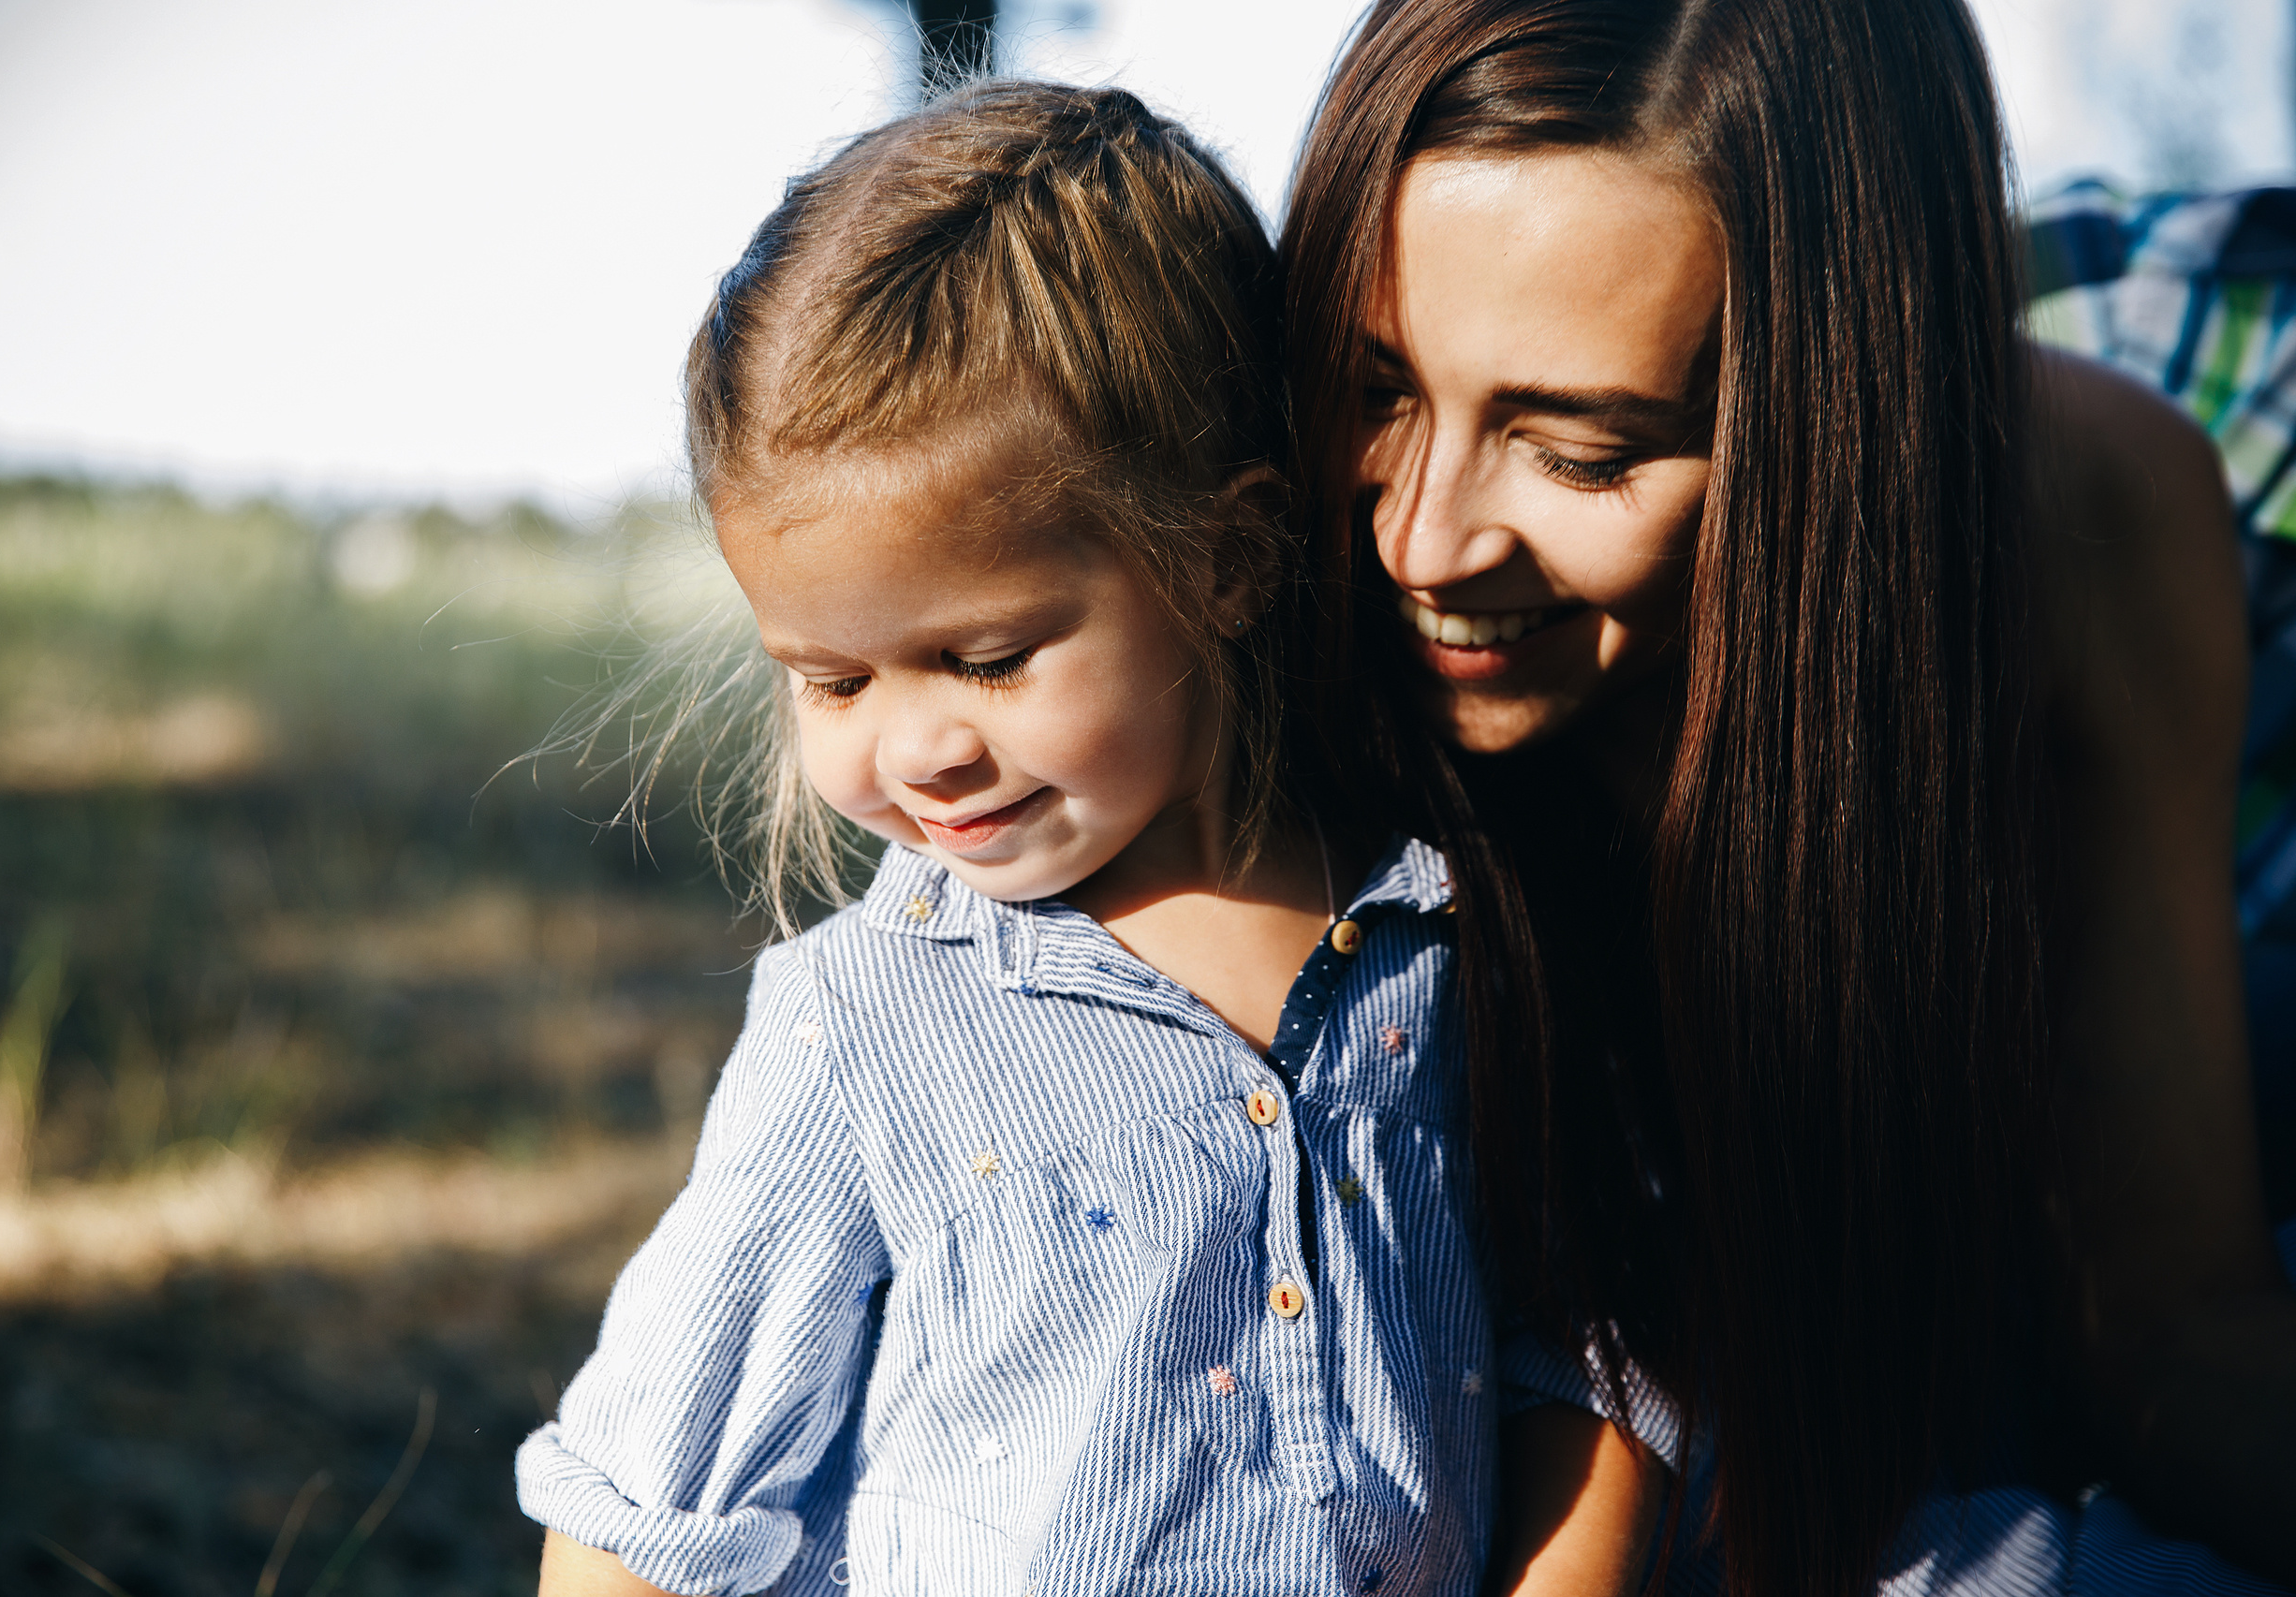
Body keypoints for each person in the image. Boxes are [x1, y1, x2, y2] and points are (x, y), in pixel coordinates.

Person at [1280, 1, 2296, 1592]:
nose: (1423, 542)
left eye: (1581, 453)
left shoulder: (2083, 523)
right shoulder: (1219, 606)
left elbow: (2166, 1312)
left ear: (1835, 417)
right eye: (1376, 385)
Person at [520, 81, 1500, 1595]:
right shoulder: (867, 1025)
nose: (913, 747)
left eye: (985, 659)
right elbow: (646, 1511)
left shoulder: (1443, 931)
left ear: (1228, 560)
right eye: (833, 680)